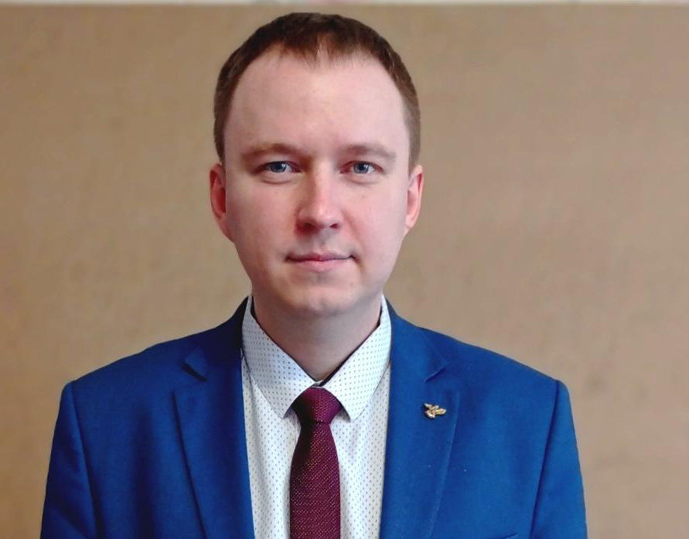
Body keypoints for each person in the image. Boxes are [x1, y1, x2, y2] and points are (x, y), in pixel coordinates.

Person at [41, 12, 586, 539]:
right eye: (279, 166)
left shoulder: (527, 422)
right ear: (222, 198)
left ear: (411, 198)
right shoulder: (106, 426)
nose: (320, 211)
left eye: (361, 167)